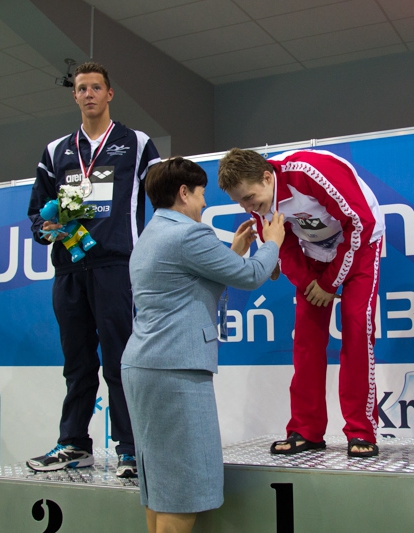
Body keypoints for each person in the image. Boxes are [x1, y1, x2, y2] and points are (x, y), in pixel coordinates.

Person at [121, 157, 284, 533]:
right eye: (201, 194)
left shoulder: (153, 233)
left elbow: (191, 282)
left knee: (160, 486)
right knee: (184, 489)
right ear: (183, 193)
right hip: (174, 370)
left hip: (146, 366)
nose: (205, 203)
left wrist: (236, 251)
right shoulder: (189, 235)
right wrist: (271, 243)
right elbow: (253, 276)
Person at [26, 61, 161, 478]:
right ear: (75, 96)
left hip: (117, 266)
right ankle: (73, 444)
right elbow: (37, 210)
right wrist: (45, 229)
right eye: (81, 88)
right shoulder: (56, 151)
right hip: (69, 267)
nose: (88, 94)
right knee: (78, 361)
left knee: (121, 361)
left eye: (96, 87)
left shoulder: (136, 143)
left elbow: (164, 194)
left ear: (109, 94)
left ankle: (131, 448)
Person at [218, 148, 385, 458]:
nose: (247, 207)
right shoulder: (259, 199)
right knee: (306, 340)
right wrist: (310, 283)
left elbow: (359, 224)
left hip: (361, 242)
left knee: (356, 330)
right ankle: (306, 429)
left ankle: (361, 430)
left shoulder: (312, 173)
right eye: (240, 202)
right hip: (314, 252)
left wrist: (328, 283)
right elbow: (284, 243)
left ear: (268, 177)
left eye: (250, 198)